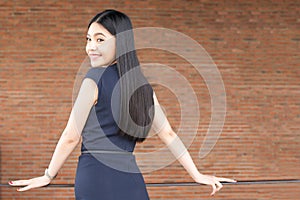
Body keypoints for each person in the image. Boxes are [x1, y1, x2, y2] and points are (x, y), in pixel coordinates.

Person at [9, 9, 236, 199]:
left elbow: (71, 136)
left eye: (100, 39)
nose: (91, 47)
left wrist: (48, 175)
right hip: (131, 179)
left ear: (122, 42)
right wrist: (196, 174)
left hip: (94, 178)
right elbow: (167, 133)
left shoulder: (94, 79)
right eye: (88, 39)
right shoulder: (142, 86)